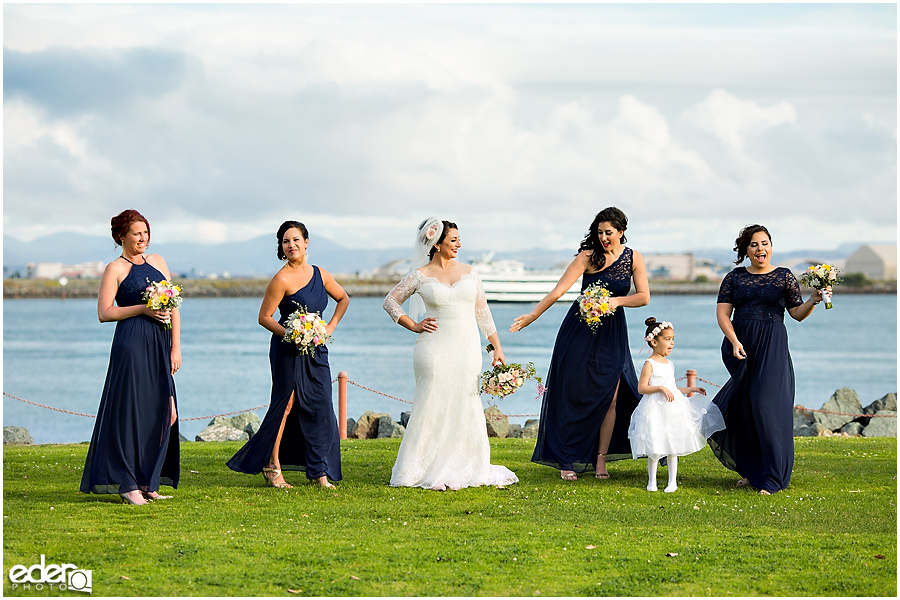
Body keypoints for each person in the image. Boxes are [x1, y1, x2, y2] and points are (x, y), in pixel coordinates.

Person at [510, 207, 649, 481]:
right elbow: (559, 291)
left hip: (612, 333)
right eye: (599, 232)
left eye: (608, 232)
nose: (603, 238)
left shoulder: (634, 258)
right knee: (573, 395)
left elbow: (644, 297)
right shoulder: (587, 257)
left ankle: (600, 461)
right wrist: (532, 315)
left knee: (611, 398)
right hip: (579, 330)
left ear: (621, 232)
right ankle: (566, 459)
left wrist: (615, 301)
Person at [382, 218, 518, 490]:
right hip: (432, 351)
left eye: (458, 239)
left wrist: (496, 349)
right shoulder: (421, 275)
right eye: (453, 240)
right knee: (431, 402)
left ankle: (464, 464)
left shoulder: (470, 272)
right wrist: (414, 325)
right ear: (437, 243)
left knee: (465, 403)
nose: (458, 244)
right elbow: (390, 301)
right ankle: (421, 467)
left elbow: (483, 314)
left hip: (467, 351)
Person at [227, 221, 349, 489]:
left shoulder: (320, 273)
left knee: (321, 407)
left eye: (295, 239)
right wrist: (292, 334)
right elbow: (264, 317)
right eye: (285, 241)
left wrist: (328, 328)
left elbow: (343, 299)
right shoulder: (281, 278)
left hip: (317, 350)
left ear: (306, 242)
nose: (291, 245)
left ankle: (319, 471)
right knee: (285, 407)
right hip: (287, 351)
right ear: (281, 248)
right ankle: (272, 466)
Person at [709, 224, 829, 495]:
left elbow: (797, 314)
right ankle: (753, 471)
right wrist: (735, 341)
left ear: (771, 246)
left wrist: (813, 300)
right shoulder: (734, 277)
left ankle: (774, 478)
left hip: (772, 346)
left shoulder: (784, 276)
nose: (760, 249)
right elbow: (722, 315)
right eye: (754, 244)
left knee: (766, 406)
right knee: (745, 408)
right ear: (746, 250)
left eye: (764, 243)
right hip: (741, 346)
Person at [80, 209, 181, 505]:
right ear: (121, 236)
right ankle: (127, 484)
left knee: (166, 411)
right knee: (131, 413)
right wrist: (143, 309)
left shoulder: (159, 261)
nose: (143, 238)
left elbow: (173, 304)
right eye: (137, 233)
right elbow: (104, 312)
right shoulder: (115, 268)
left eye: (146, 232)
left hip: (161, 343)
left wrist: (176, 346)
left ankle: (148, 481)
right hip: (132, 342)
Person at [628, 318, 725, 493]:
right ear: (654, 341)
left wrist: (692, 388)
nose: (671, 343)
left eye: (673, 339)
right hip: (654, 409)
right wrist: (660, 388)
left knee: (672, 444)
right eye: (667, 339)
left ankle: (672, 482)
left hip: (671, 409)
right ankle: (652, 481)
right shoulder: (649, 364)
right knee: (654, 445)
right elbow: (642, 388)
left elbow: (673, 388)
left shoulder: (669, 364)